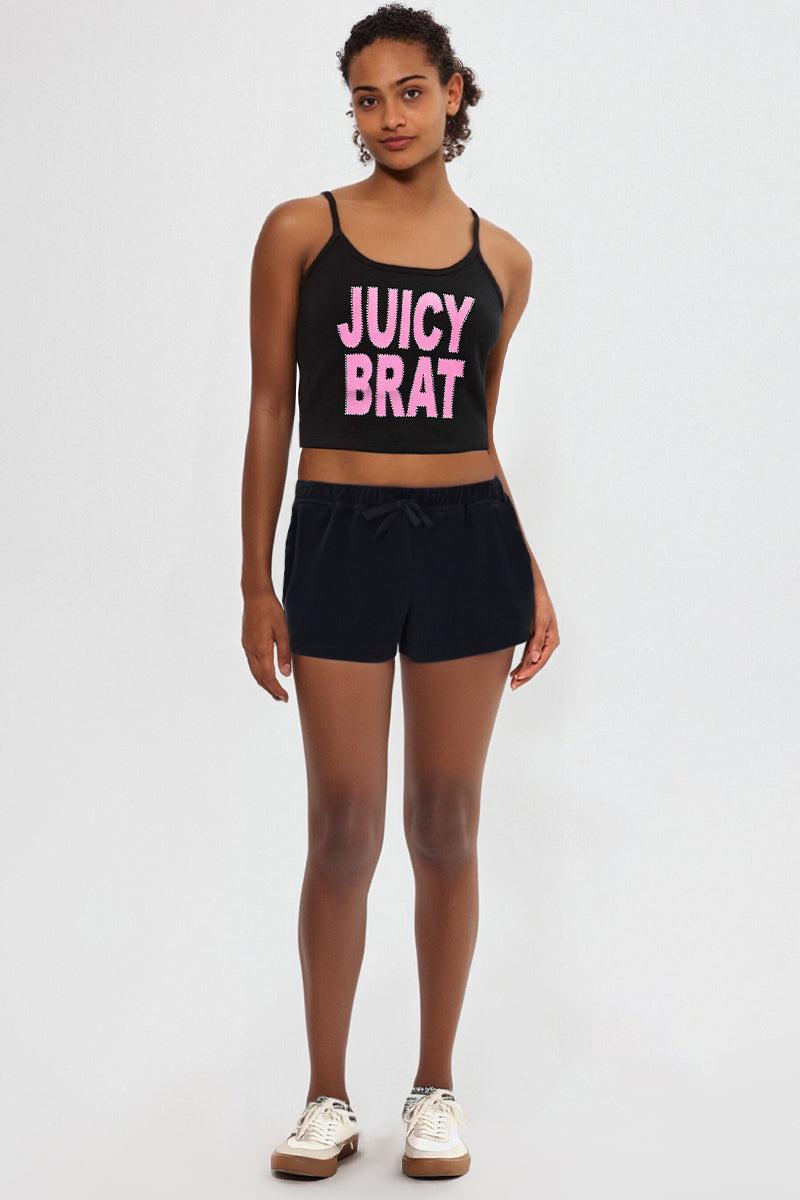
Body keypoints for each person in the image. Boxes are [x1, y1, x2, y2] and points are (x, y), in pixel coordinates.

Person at [240, 4, 560, 1181]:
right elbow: (270, 408)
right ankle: (325, 1096)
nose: (387, 117)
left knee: (445, 822)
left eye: (409, 92)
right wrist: (253, 579)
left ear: (453, 91)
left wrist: (527, 564)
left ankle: (434, 1087)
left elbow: (474, 427)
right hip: (336, 539)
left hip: (468, 541)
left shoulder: (503, 260)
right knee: (342, 824)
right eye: (366, 99)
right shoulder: (300, 231)